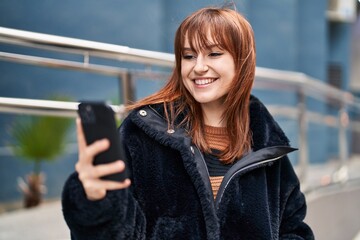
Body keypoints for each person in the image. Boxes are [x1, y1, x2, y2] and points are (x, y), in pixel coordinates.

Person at [62, 6, 314, 240]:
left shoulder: (266, 146)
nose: (199, 67)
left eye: (214, 54)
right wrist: (96, 200)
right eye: (189, 55)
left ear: (242, 62)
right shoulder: (143, 132)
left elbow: (293, 228)